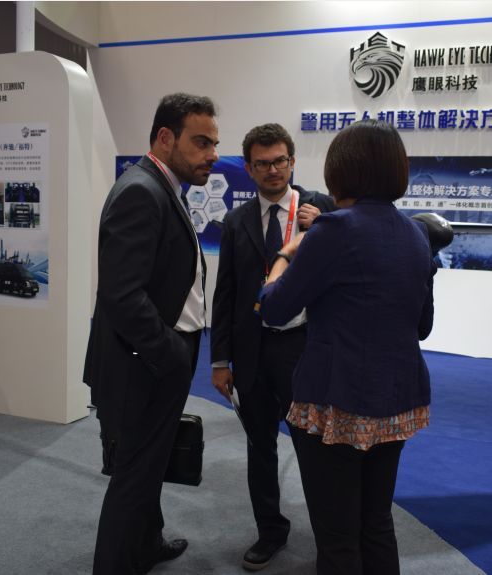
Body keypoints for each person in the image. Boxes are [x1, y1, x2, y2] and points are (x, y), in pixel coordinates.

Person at [259, 120, 437, 575]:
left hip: (335, 402)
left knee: (337, 537)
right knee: (376, 522)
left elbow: (274, 309)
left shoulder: (335, 229)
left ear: (341, 169)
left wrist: (285, 255)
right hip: (397, 400)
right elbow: (423, 326)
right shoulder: (416, 234)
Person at [83, 93, 218, 575]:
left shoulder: (161, 186)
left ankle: (145, 545)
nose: (212, 154)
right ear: (165, 138)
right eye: (201, 142)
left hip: (153, 359)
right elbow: (121, 295)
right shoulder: (141, 190)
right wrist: (170, 354)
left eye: (214, 143)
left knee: (150, 464)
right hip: (142, 363)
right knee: (134, 476)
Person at [210, 123, 335, 570]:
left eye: (280, 161)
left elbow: (339, 274)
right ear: (248, 169)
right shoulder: (236, 221)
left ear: (292, 161)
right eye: (262, 164)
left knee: (313, 450)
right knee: (260, 449)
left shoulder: (321, 208)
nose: (272, 170)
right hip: (253, 352)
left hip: (303, 349)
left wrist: (322, 229)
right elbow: (225, 294)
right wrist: (220, 359)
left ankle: (330, 541)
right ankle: (270, 532)